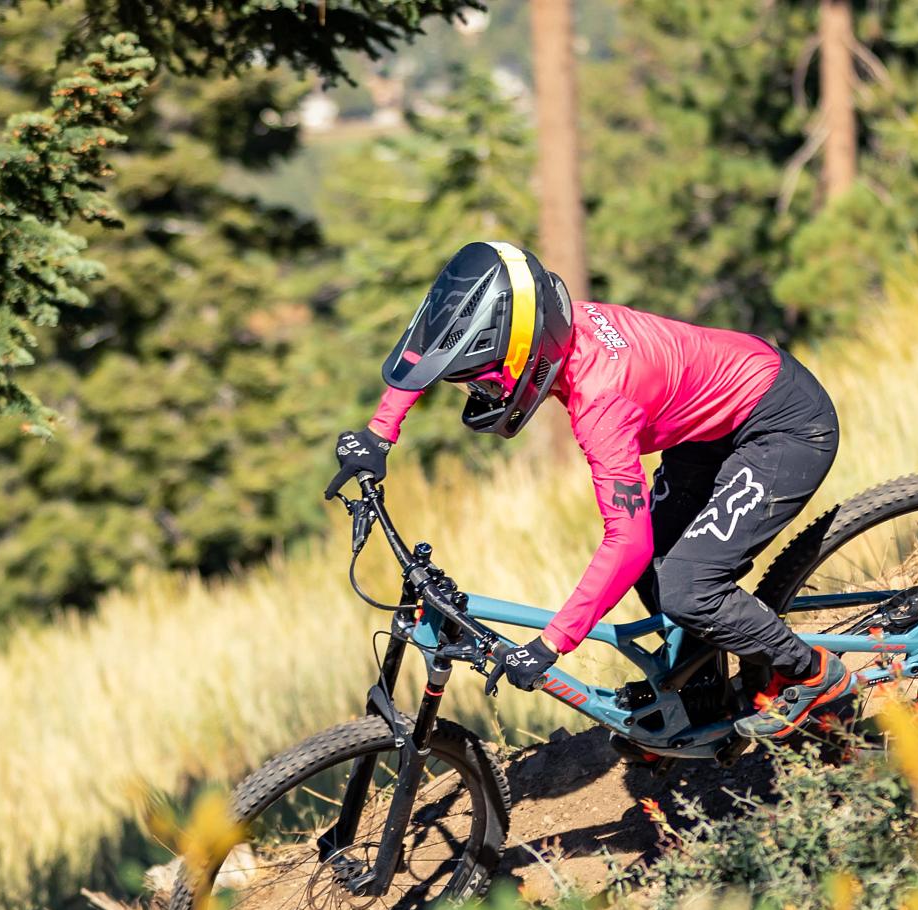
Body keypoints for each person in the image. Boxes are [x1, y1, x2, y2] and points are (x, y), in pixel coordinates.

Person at [341, 240, 851, 741]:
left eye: (483, 383)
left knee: (688, 589)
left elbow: (626, 541)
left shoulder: (601, 402)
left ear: (521, 359)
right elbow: (431, 340)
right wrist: (378, 434)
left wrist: (551, 643)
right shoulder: (548, 320)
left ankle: (812, 673)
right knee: (660, 576)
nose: (480, 394)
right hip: (710, 424)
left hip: (782, 427)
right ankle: (702, 700)